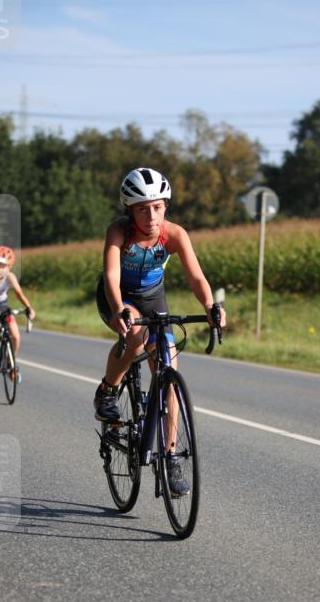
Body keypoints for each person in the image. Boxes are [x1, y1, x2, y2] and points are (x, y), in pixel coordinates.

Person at [95, 166, 226, 495]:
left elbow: (196, 276)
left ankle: (169, 455)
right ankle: (108, 390)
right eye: (142, 208)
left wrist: (210, 305)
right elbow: (111, 275)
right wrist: (120, 308)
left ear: (165, 206)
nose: (151, 216)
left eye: (157, 207)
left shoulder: (175, 234)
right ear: (129, 210)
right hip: (118, 297)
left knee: (169, 371)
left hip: (154, 299)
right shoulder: (119, 233)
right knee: (136, 337)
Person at [0, 246, 35, 379]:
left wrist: (29, 308)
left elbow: (19, 294)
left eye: (3, 266)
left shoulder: (10, 277)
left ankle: (10, 362)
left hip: (4, 307)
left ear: (9, 267)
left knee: (15, 336)